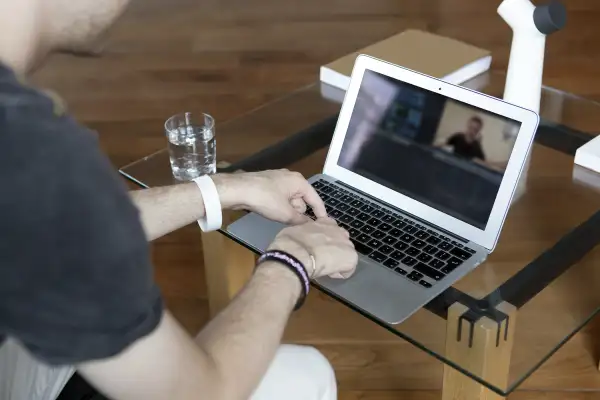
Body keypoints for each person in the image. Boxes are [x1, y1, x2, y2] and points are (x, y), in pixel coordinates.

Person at [0, 1, 358, 400]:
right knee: (304, 376)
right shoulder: (27, 150)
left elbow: (54, 232)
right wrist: (291, 260)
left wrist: (223, 189)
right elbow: (202, 394)